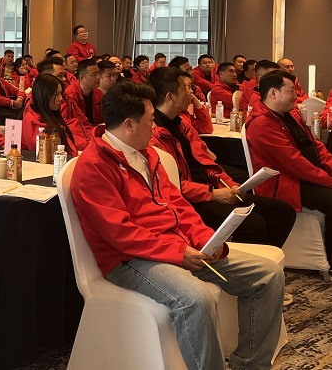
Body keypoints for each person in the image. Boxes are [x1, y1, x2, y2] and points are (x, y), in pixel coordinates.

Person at [71, 80, 285, 370]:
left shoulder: (147, 154)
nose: (155, 128)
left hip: (174, 246)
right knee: (196, 299)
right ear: (129, 124)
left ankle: (251, 364)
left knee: (268, 275)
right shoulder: (93, 165)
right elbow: (120, 233)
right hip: (128, 259)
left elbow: (178, 204)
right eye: (150, 121)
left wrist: (206, 240)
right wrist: (179, 253)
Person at [148, 67, 295, 247]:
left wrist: (228, 184)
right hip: (188, 201)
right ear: (170, 97)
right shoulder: (153, 135)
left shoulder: (181, 124)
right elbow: (170, 185)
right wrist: (213, 194)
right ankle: (241, 263)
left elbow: (206, 162)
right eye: (185, 88)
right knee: (252, 224)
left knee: (282, 211)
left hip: (208, 188)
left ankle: (266, 258)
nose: (191, 91)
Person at [246, 70, 332, 263]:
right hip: (286, 183)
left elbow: (315, 147)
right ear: (273, 93)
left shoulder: (289, 115)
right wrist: (328, 180)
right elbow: (295, 164)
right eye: (292, 90)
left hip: (304, 176)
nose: (297, 95)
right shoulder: (262, 124)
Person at [21, 73, 78, 157]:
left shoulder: (50, 113)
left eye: (61, 94)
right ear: (45, 95)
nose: (61, 98)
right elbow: (42, 155)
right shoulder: (31, 121)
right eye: (57, 94)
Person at [63, 58, 103, 149]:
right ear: (81, 78)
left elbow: (102, 118)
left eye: (98, 73)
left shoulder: (98, 93)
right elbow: (77, 124)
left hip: (93, 130)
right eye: (94, 74)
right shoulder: (71, 95)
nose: (98, 77)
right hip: (82, 136)